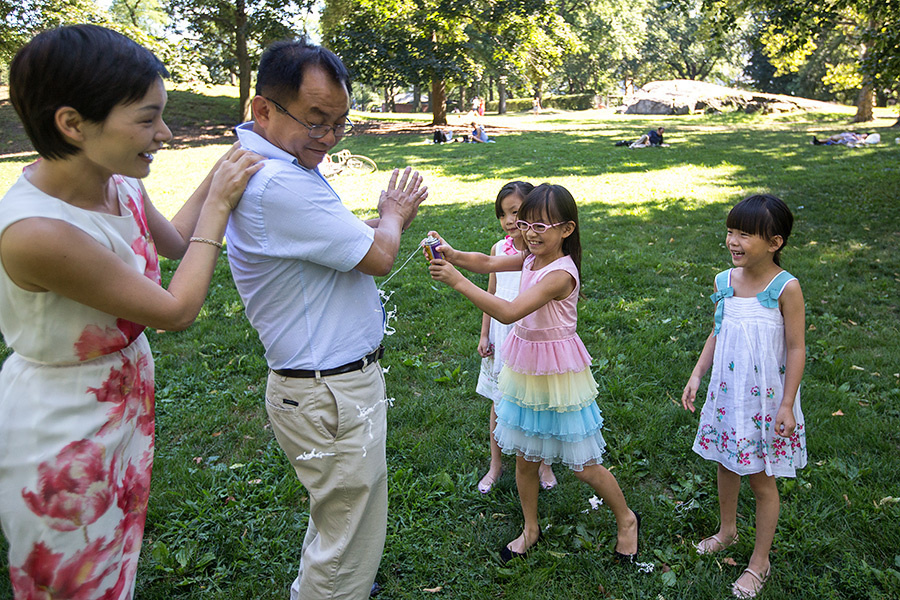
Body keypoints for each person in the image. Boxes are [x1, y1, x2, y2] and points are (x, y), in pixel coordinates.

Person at [0, 24, 262, 599]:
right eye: (148, 119)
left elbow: (176, 243)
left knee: (116, 566)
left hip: (120, 403)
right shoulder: (37, 232)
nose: (164, 133)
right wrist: (220, 205)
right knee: (73, 581)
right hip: (62, 430)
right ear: (72, 124)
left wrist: (225, 168)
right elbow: (176, 310)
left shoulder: (117, 180)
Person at [224, 39, 428, 600]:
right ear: (263, 109)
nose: (331, 136)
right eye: (316, 120)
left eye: (340, 123)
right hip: (329, 393)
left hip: (324, 388)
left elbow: (334, 238)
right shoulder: (278, 182)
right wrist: (393, 215)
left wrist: (378, 224)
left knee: (340, 517)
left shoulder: (275, 164)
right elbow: (380, 256)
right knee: (347, 537)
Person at [428, 184, 640, 564]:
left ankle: (626, 519)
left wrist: (457, 281)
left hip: (558, 376)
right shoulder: (530, 258)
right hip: (526, 371)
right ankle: (530, 529)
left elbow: (509, 312)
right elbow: (488, 262)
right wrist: (454, 255)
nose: (529, 232)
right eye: (525, 223)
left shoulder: (560, 274)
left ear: (567, 229)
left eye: (541, 226)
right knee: (524, 460)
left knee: (584, 466)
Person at [681, 194, 807, 599]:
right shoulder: (724, 282)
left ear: (774, 242)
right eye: (730, 232)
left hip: (766, 402)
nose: (733, 241)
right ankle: (728, 530)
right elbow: (717, 332)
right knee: (726, 462)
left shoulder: (785, 288)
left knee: (762, 480)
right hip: (728, 394)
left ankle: (759, 561)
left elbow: (796, 348)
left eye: (745, 234)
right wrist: (697, 374)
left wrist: (786, 404)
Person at [475, 181, 557, 495]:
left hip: (530, 337)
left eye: (516, 212)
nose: (509, 220)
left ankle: (544, 462)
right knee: (499, 401)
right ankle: (496, 464)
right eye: (502, 214)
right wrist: (485, 333)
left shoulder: (542, 254)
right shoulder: (498, 249)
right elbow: (491, 293)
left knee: (539, 404)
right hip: (501, 334)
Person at [811, 132, 879, 147]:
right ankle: (818, 141)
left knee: (832, 139)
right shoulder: (858, 134)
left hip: (845, 139)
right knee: (831, 139)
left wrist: (855, 136)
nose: (864, 135)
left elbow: (858, 140)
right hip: (844, 136)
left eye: (866, 135)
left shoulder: (861, 139)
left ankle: (818, 142)